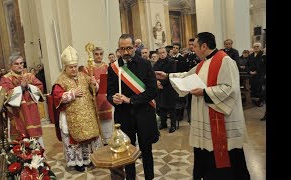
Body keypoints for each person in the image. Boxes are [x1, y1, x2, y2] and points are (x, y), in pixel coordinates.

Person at [156, 32, 250, 180]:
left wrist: (204, 92)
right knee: (206, 152)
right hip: (205, 120)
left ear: (204, 46)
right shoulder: (203, 63)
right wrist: (167, 76)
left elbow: (230, 89)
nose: (193, 50)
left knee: (224, 157)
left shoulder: (225, 61)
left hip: (221, 123)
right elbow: (187, 76)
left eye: (194, 46)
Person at [107, 34, 160, 180]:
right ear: (118, 49)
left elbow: (152, 91)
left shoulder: (145, 64)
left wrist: (131, 100)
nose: (125, 52)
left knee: (146, 151)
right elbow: (109, 93)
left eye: (129, 48)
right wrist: (114, 99)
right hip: (124, 116)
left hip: (144, 113)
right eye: (122, 49)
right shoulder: (113, 68)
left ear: (134, 48)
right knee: (127, 153)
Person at [51, 45, 102, 172]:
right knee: (75, 140)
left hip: (87, 114)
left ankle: (90, 158)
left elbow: (93, 91)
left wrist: (94, 84)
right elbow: (57, 97)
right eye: (70, 67)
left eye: (75, 66)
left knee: (90, 137)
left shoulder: (83, 75)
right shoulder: (61, 80)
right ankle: (78, 162)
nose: (73, 69)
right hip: (71, 116)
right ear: (65, 67)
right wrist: (72, 94)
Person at [0, 55, 45, 146]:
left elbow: (40, 86)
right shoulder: (6, 78)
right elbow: (6, 95)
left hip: (32, 111)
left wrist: (28, 86)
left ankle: (39, 157)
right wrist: (21, 88)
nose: (20, 66)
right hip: (18, 113)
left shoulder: (29, 76)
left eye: (21, 63)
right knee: (21, 138)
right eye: (16, 64)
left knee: (36, 137)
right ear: (10, 65)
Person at [90, 47, 114, 144]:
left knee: (107, 127)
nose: (99, 56)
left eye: (101, 54)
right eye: (96, 54)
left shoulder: (107, 67)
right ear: (93, 55)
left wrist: (99, 82)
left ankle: (107, 143)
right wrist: (93, 83)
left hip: (105, 100)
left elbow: (108, 84)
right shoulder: (88, 68)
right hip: (93, 100)